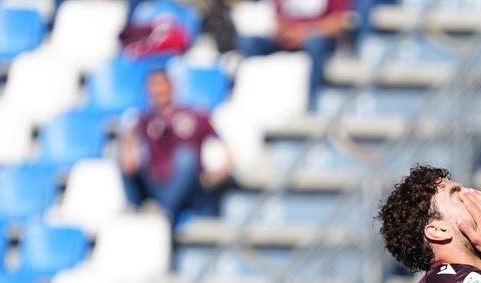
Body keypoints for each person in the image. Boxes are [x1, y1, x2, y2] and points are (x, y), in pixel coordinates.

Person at [121, 69, 231, 223]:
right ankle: (139, 210)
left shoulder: (194, 115)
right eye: (153, 86)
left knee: (185, 156)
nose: (158, 90)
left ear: (171, 86)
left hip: (190, 189)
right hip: (155, 185)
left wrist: (223, 167)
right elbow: (129, 148)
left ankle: (164, 211)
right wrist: (129, 150)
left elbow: (222, 143)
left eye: (161, 84)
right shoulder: (144, 120)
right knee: (120, 156)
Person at [240, 0, 351, 99]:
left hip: (317, 38)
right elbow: (279, 18)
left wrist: (303, 33)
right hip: (288, 37)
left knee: (316, 44)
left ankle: (312, 100)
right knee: (250, 43)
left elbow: (338, 23)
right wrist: (286, 33)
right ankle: (250, 97)